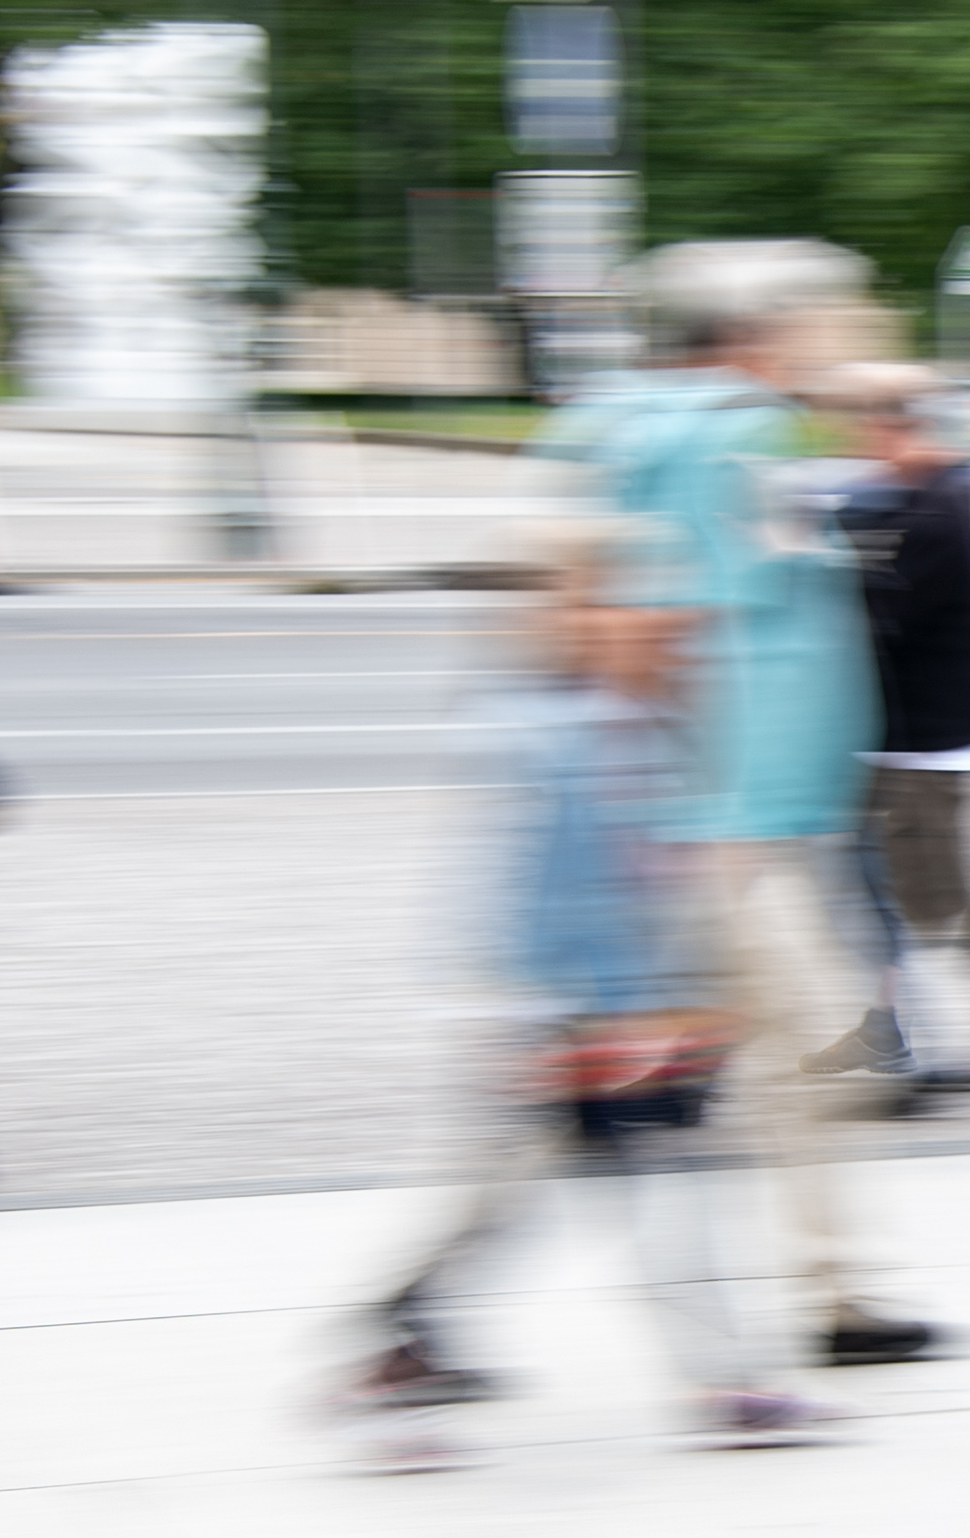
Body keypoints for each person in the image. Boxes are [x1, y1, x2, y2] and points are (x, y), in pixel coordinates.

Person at [338, 527, 820, 1463]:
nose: (675, 622)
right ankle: (720, 1378)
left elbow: (669, 877)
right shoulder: (553, 735)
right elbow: (519, 897)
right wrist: (556, 1020)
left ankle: (404, 1346)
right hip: (562, 1015)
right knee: (600, 1195)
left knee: (542, 1196)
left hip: (607, 1011)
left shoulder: (633, 721)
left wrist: (691, 1005)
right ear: (577, 617)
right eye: (637, 601)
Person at [541, 241, 940, 1370]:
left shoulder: (677, 423)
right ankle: (834, 1295)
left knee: (762, 1058)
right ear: (768, 332)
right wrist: (698, 813)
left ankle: (838, 1293)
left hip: (728, 821)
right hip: (721, 829)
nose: (857, 337)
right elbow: (665, 622)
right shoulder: (732, 432)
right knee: (802, 1051)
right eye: (842, 316)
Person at [827, 365, 970, 1089]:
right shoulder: (928, 496)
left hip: (924, 741)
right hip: (928, 736)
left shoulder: (934, 507)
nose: (855, 441)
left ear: (889, 424)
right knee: (940, 889)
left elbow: (882, 616)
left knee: (936, 895)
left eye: (861, 425)